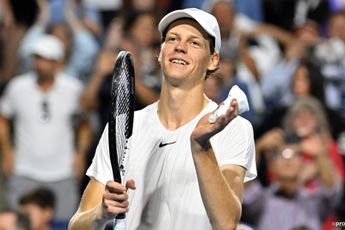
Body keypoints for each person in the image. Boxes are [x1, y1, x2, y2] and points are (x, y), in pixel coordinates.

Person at [69, 8, 256, 230]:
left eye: (194, 43)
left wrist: (200, 146)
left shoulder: (235, 129)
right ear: (160, 52)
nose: (180, 47)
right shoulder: (124, 126)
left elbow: (226, 223)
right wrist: (101, 213)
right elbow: (77, 225)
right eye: (172, 39)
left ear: (213, 60)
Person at [0, 34, 91, 226]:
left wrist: (80, 154)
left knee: (64, 224)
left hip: (62, 172)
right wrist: (7, 151)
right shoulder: (18, 87)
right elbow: (3, 118)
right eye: (37, 58)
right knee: (19, 224)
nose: (40, 64)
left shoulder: (72, 89)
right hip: (24, 169)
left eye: (46, 59)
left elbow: (84, 124)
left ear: (58, 63)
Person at [242, 132, 342, 230]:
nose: (288, 160)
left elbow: (331, 190)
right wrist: (257, 148)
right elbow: (244, 193)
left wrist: (320, 155)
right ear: (271, 165)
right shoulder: (262, 201)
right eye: (281, 154)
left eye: (295, 154)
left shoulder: (314, 202)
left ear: (303, 162)